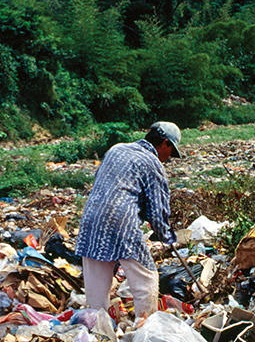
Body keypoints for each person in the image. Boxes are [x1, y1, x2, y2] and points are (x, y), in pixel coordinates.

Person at [74, 121, 181, 324]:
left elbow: (104, 182)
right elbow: (158, 210)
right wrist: (166, 235)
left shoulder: (117, 149)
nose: (169, 158)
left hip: (90, 218)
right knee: (146, 276)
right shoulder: (152, 162)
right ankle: (146, 326)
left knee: (97, 282)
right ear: (165, 143)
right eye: (171, 152)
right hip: (120, 220)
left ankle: (97, 331)